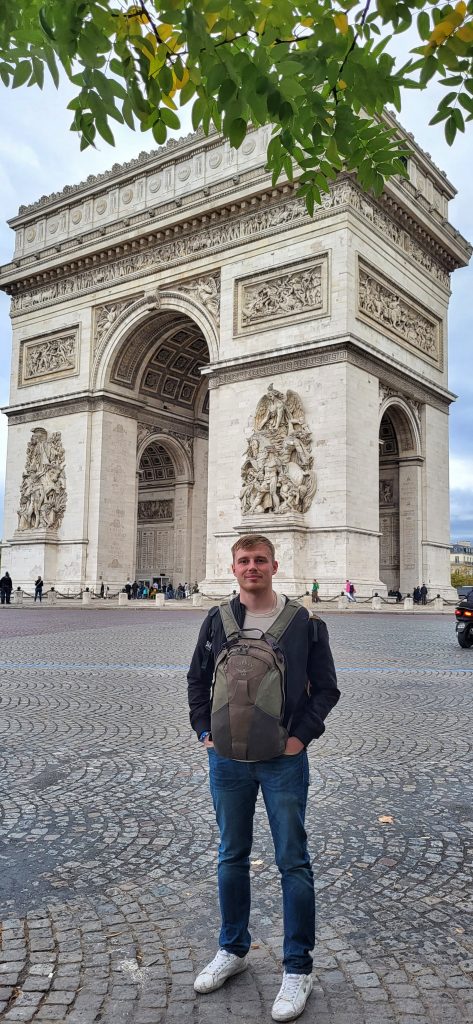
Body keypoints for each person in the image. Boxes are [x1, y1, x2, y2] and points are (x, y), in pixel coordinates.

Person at [188, 533, 340, 1022]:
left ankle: (298, 967)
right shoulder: (216, 620)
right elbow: (196, 678)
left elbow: (328, 689)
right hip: (227, 758)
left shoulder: (306, 624)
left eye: (259, 561)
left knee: (292, 861)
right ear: (232, 568)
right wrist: (203, 731)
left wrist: (300, 739)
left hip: (283, 761)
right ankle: (232, 949)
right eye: (243, 561)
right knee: (231, 856)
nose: (251, 567)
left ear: (275, 565)